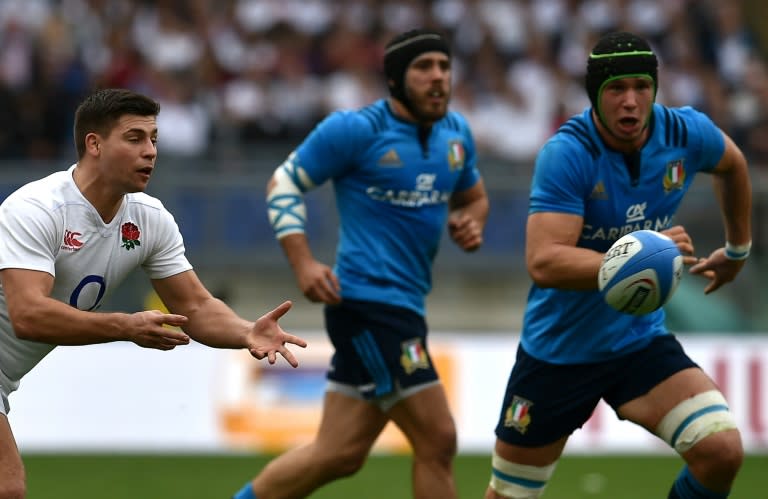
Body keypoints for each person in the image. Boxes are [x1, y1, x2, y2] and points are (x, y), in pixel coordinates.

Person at [0, 88, 307, 499]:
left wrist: (246, 331)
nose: (151, 151)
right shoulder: (37, 210)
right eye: (135, 138)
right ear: (94, 144)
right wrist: (125, 326)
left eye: (154, 139)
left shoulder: (149, 219)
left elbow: (195, 306)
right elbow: (28, 315)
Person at [485, 31, 751, 499]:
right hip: (558, 354)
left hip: (638, 343)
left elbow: (733, 163)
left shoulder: (684, 133)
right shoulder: (567, 153)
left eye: (641, 87)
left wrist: (737, 249)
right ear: (595, 94)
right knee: (510, 495)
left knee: (721, 451)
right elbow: (544, 261)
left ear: (654, 88)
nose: (631, 101)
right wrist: (643, 252)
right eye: (615, 89)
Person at [232, 28, 489, 499]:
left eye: (444, 67)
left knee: (338, 454)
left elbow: (474, 198)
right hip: (367, 305)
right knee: (438, 437)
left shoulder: (457, 134)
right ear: (395, 78)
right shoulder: (355, 130)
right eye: (424, 67)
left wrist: (470, 222)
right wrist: (305, 263)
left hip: (405, 306)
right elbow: (283, 184)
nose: (438, 77)